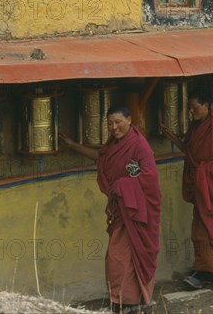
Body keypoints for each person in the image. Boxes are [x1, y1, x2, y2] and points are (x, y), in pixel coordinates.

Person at [60, 106, 161, 313]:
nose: (113, 127)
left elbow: (149, 179)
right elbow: (101, 158)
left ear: (130, 120)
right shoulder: (114, 144)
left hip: (137, 211)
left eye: (118, 122)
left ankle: (129, 301)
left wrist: (122, 186)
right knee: (119, 256)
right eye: (109, 123)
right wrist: (72, 145)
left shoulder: (139, 146)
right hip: (120, 210)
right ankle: (123, 299)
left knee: (121, 256)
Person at [161, 90, 213, 289]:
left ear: (206, 106)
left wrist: (204, 172)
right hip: (205, 190)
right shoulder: (195, 128)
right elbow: (193, 156)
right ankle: (207, 270)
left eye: (194, 107)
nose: (191, 111)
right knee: (201, 231)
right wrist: (175, 140)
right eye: (189, 108)